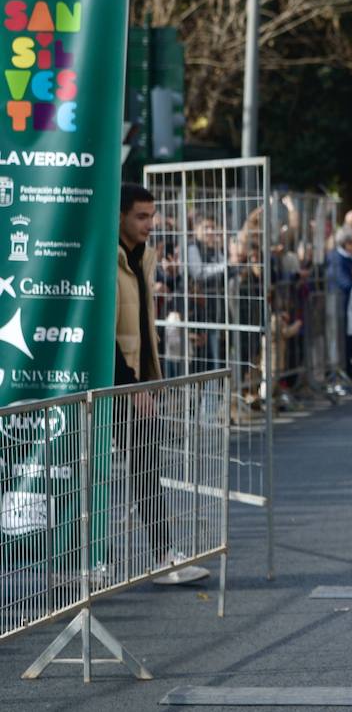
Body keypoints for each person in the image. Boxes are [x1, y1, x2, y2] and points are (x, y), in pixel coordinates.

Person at [116, 183, 210, 585]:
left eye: (152, 216)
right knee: (93, 474)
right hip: (116, 384)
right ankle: (84, 566)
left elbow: (140, 326)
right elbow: (103, 331)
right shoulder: (107, 258)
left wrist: (153, 380)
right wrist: (132, 385)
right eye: (141, 216)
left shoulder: (143, 257)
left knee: (146, 468)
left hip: (140, 382)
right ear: (119, 216)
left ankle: (163, 556)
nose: (150, 224)